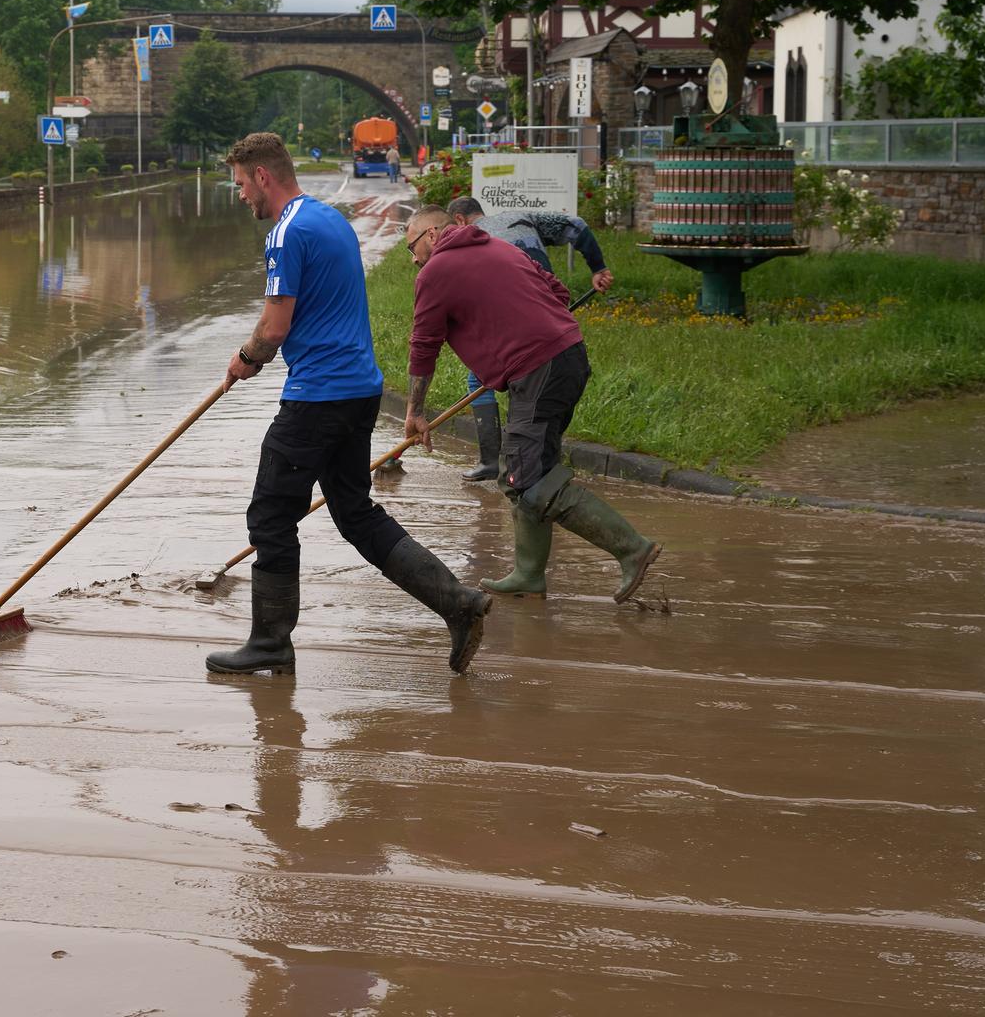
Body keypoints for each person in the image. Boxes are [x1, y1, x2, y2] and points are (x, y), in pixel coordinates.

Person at [209, 134, 491, 676]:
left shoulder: (286, 232)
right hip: (359, 390)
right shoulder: (330, 219)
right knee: (356, 514)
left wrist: (247, 357)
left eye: (241, 183)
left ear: (263, 176)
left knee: (270, 514)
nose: (240, 194)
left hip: (319, 395)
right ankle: (458, 603)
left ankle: (270, 643)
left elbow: (274, 325)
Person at [402, 203, 661, 603]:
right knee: (524, 468)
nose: (413, 257)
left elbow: (424, 345)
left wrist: (415, 411)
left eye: (411, 246)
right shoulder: (499, 247)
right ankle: (529, 574)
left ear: (432, 235)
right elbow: (557, 289)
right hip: (566, 357)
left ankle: (632, 548)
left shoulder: (435, 271)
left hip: (540, 370)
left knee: (527, 477)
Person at [442, 197, 615, 482]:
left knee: (481, 379)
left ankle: (490, 462)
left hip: (514, 317)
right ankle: (539, 462)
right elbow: (577, 225)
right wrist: (599, 268)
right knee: (535, 389)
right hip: (550, 312)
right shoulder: (521, 216)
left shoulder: (474, 241)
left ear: (459, 220)